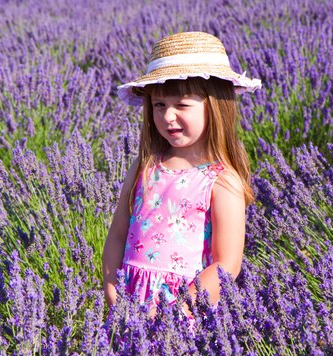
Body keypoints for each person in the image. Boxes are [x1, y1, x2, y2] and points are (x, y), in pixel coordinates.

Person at [102, 31, 261, 319]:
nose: (167, 116)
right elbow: (116, 235)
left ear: (215, 107)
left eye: (182, 105)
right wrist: (113, 291)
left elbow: (226, 265)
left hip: (184, 311)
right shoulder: (145, 167)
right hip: (130, 305)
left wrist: (173, 314)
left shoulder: (221, 180)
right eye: (159, 105)